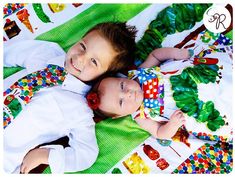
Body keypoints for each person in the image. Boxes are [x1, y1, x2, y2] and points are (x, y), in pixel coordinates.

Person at [3, 22, 137, 174]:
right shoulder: (47, 53)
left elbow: (86, 154)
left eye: (94, 61)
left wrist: (46, 156)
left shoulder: (80, 111)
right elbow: (8, 52)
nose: (80, 58)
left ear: (104, 76)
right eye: (83, 46)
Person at [86, 47, 194, 140]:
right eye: (121, 102)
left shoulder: (139, 73)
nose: (127, 94)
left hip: (190, 71)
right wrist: (173, 124)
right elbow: (159, 133)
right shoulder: (140, 117)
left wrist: (177, 53)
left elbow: (155, 55)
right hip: (191, 104)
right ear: (121, 115)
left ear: (121, 78)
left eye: (122, 86)